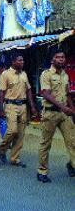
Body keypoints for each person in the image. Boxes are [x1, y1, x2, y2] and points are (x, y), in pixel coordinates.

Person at [37, 50, 75, 183]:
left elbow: (67, 93)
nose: (61, 59)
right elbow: (46, 94)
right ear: (52, 60)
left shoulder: (65, 75)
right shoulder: (46, 74)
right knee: (46, 143)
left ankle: (71, 164)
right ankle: (42, 171)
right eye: (58, 57)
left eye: (63, 57)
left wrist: (71, 108)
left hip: (64, 114)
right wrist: (63, 107)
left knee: (72, 141)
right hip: (50, 113)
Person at [0, 54, 37, 168]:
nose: (22, 62)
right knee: (12, 131)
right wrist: (0, 108)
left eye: (22, 60)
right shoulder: (5, 74)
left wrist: (33, 106)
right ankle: (2, 149)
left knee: (20, 134)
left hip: (23, 106)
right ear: (13, 62)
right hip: (11, 105)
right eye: (20, 60)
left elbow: (28, 90)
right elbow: (2, 93)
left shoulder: (24, 74)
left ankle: (15, 158)